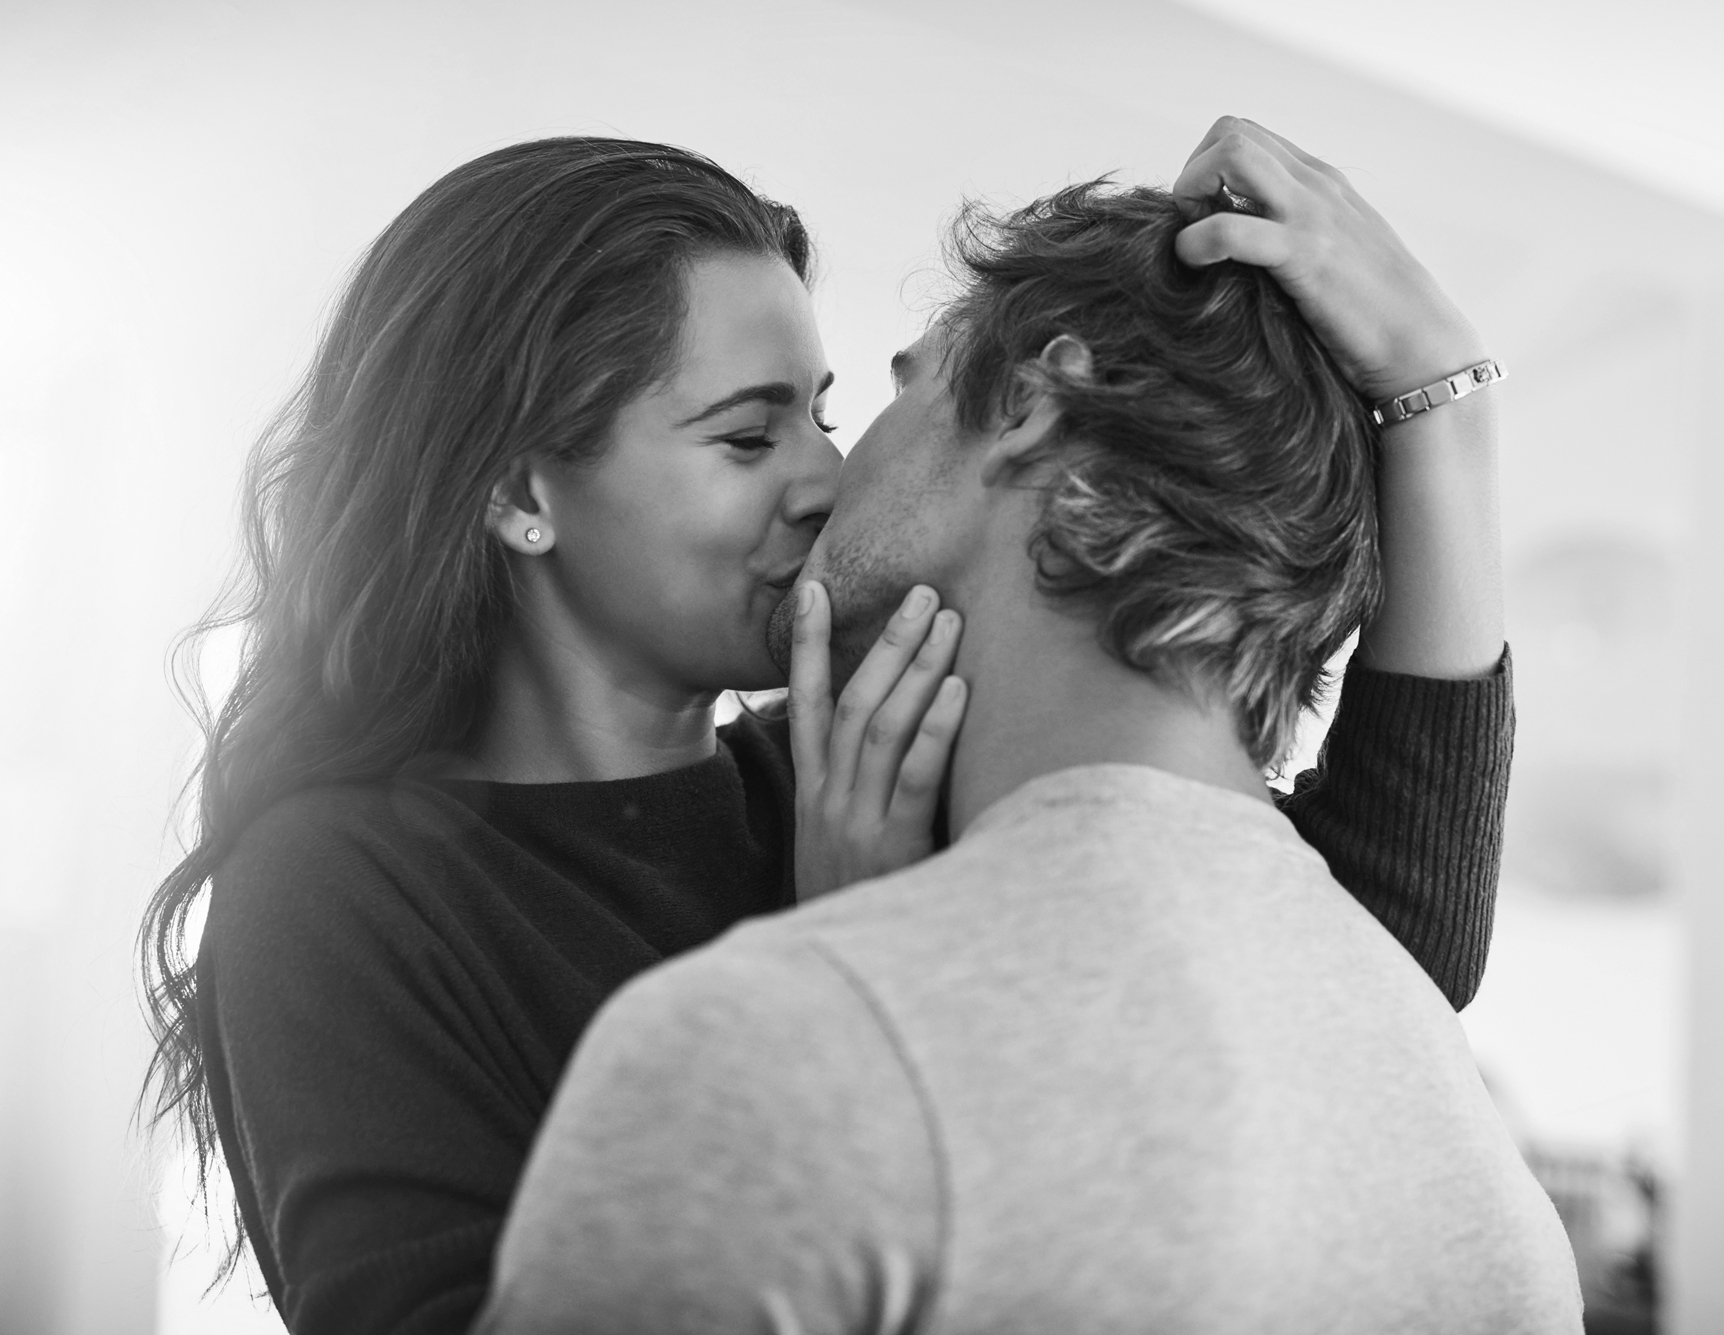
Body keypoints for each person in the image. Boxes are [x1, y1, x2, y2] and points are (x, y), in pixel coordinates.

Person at [143, 123, 1515, 1335]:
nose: (824, 478)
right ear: (520, 493)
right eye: (748, 438)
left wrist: (1441, 409)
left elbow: (1364, 943)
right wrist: (852, 954)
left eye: (826, 411)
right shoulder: (335, 892)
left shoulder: (871, 736)